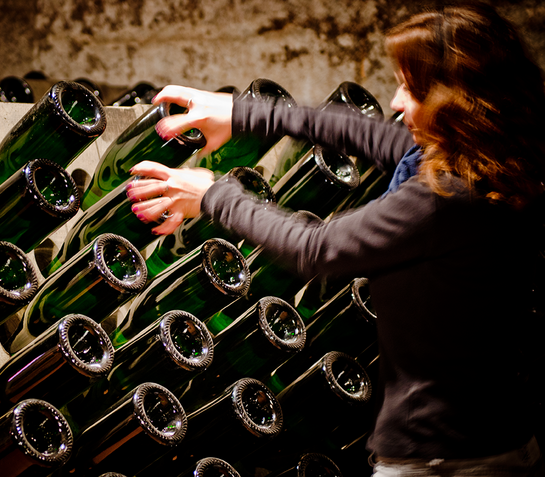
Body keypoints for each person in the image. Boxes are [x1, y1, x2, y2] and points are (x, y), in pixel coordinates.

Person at [125, 2, 545, 476]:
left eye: (411, 89)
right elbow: (363, 133)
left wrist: (213, 195)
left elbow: (315, 249)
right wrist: (242, 112)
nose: (395, 102)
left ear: (456, 100)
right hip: (498, 439)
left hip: (443, 460)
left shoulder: (446, 197)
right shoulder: (494, 163)